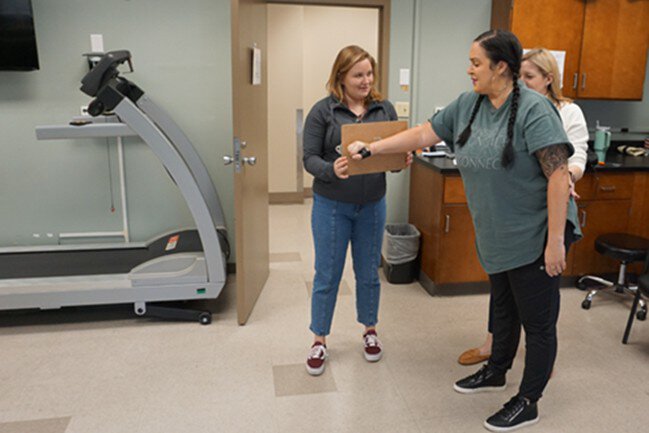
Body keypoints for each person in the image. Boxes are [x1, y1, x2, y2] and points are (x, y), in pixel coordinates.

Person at [348, 30, 581, 432]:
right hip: (498, 232)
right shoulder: (469, 104)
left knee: (538, 322)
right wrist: (373, 147)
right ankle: (497, 370)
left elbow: (559, 176)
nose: (469, 69)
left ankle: (529, 400)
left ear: (501, 67)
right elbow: (424, 134)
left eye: (476, 63)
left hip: (537, 233)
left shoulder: (535, 110)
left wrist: (556, 242)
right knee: (503, 308)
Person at [457, 47, 589, 366]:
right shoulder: (510, 107)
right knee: (503, 288)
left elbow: (576, 157)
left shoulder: (566, 111)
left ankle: (539, 359)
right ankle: (496, 346)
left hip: (545, 214)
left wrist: (567, 177)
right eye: (520, 76)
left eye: (530, 76)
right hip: (511, 215)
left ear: (548, 78)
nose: (522, 82)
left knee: (538, 296)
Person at [302, 45, 409, 376]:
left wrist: (400, 160)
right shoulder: (323, 111)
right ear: (341, 77)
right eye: (358, 75)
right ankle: (319, 339)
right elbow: (309, 158)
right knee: (328, 274)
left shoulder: (384, 109)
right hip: (332, 206)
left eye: (369, 73)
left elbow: (391, 156)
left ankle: (370, 330)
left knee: (368, 273)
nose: (366, 81)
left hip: (373, 205)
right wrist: (330, 169)